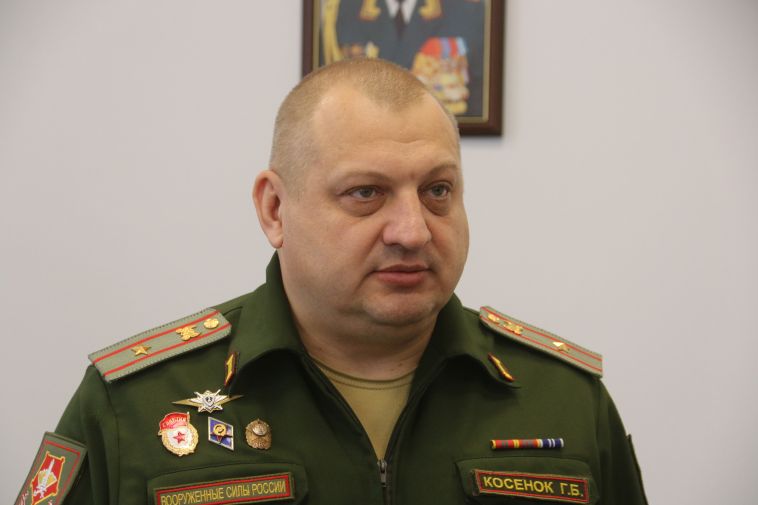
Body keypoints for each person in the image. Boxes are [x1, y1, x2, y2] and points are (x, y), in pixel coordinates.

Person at [15, 58, 647, 505]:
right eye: (366, 193)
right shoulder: (131, 405)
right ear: (274, 209)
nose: (413, 231)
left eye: (437, 191)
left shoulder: (566, 399)